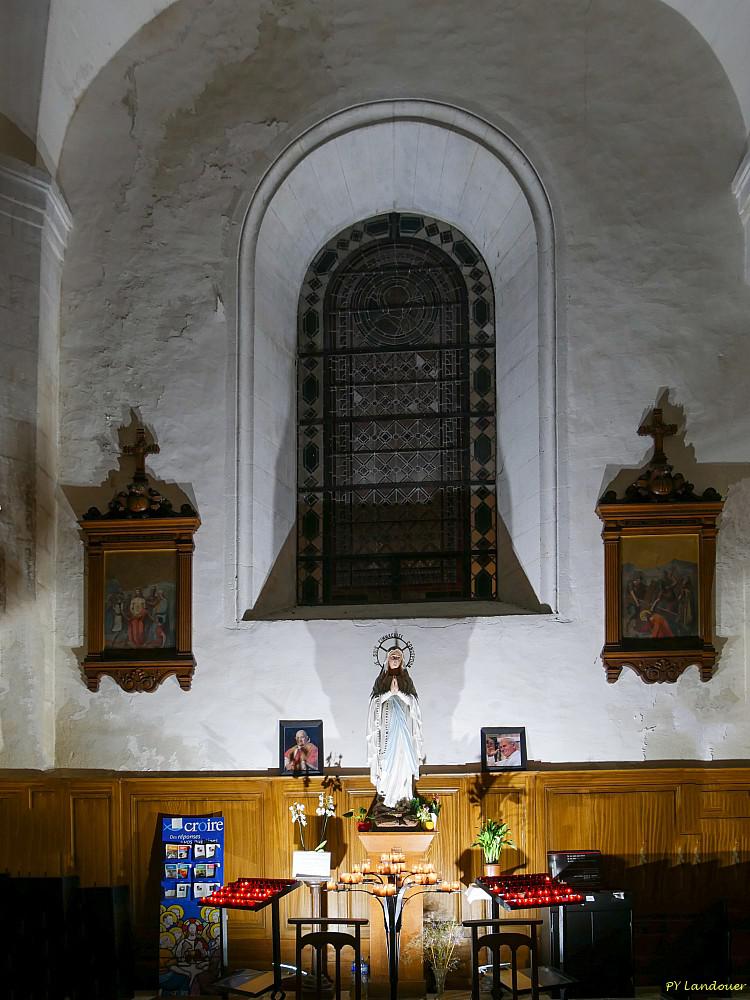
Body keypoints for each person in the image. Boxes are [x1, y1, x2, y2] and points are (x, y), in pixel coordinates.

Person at [367, 646, 424, 807]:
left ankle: (403, 798)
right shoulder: (381, 680)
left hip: (402, 730)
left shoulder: (406, 681)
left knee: (403, 760)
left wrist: (398, 693)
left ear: (402, 661)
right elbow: (373, 702)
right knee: (386, 763)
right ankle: (387, 799)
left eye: (398, 657)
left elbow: (414, 703)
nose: (395, 659)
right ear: (387, 659)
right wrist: (388, 693)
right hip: (386, 731)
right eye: (392, 656)